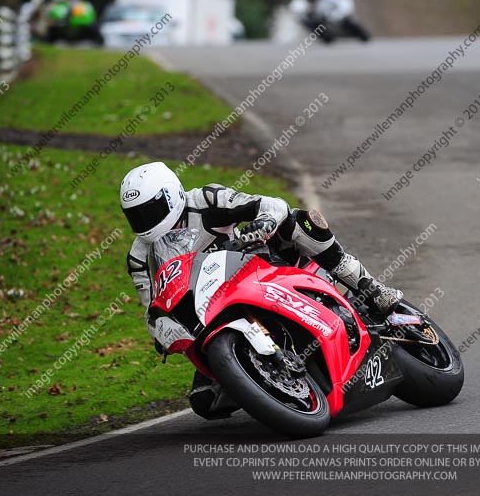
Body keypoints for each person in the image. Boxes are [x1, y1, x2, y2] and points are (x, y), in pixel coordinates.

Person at [119, 162, 401, 418]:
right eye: (136, 216)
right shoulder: (139, 257)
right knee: (204, 401)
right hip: (211, 313)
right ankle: (262, 380)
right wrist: (160, 330)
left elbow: (271, 204)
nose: (144, 222)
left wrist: (265, 222)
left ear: (171, 196)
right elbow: (152, 306)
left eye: (150, 211)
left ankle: (370, 287)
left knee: (299, 221)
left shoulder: (206, 200)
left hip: (258, 268)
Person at [289, 0, 370, 43]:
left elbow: (345, 5)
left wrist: (335, 14)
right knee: (309, 23)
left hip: (337, 19)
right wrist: (310, 14)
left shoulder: (328, 0)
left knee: (349, 20)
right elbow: (298, 13)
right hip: (321, 23)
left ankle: (362, 35)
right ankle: (326, 38)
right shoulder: (302, 3)